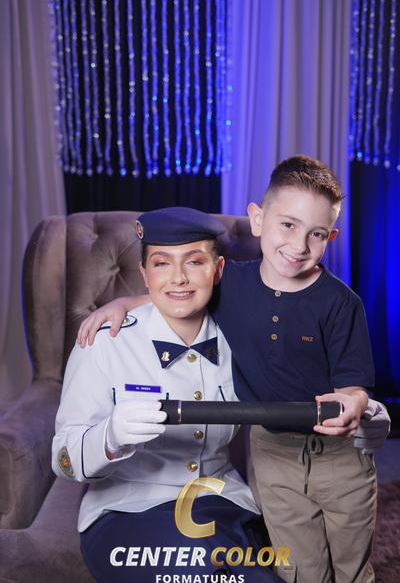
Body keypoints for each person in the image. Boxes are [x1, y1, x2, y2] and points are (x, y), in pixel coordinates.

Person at [77, 156, 390, 583]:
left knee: (345, 564)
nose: (299, 245)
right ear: (258, 219)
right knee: (296, 568)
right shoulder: (230, 286)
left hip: (328, 458)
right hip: (265, 456)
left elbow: (353, 384)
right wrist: (123, 303)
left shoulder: (338, 304)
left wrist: (359, 405)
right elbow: (181, 291)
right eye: (288, 225)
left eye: (316, 234)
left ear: (330, 237)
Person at [52, 207, 284, 583]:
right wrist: (108, 439)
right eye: (161, 263)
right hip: (128, 511)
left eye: (194, 261)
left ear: (217, 269)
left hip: (223, 503)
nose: (178, 277)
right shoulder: (104, 343)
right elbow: (63, 460)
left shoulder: (243, 338)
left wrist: (353, 403)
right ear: (144, 274)